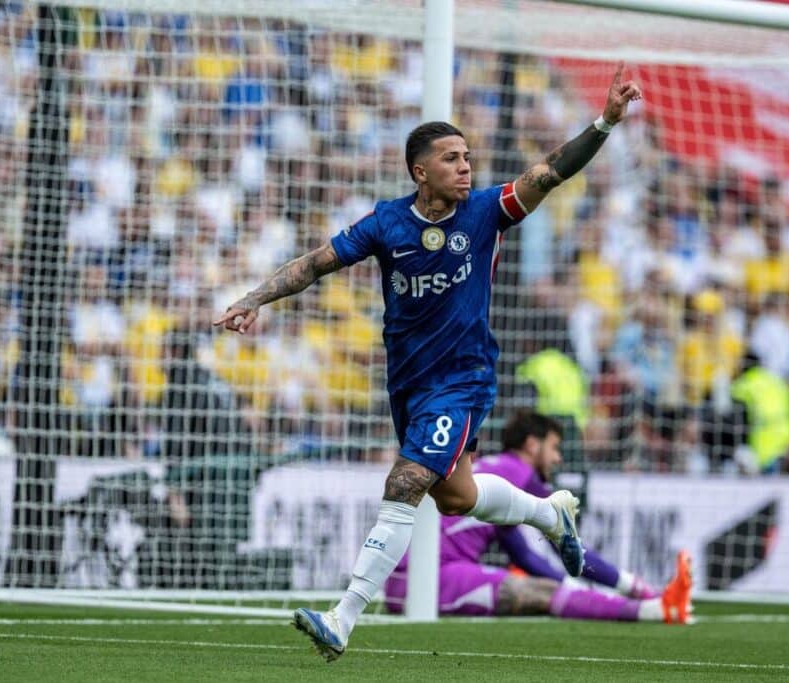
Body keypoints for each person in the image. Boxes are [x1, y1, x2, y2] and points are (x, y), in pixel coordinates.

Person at [214, 63, 642, 662]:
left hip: (462, 379)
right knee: (456, 498)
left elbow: (550, 172)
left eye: (467, 156)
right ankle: (549, 515)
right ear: (421, 171)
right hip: (409, 384)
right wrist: (252, 299)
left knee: (407, 481)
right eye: (451, 158)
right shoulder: (388, 223)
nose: (465, 166)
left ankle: (343, 616)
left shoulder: (487, 211)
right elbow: (315, 265)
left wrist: (603, 123)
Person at [384, 411, 693, 623]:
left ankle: (651, 606)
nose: (558, 458)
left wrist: (579, 591)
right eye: (555, 447)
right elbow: (568, 546)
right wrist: (634, 586)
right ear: (532, 445)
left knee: (540, 583)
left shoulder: (498, 474)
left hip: (410, 580)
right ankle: (653, 609)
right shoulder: (520, 473)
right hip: (429, 581)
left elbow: (528, 557)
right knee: (538, 591)